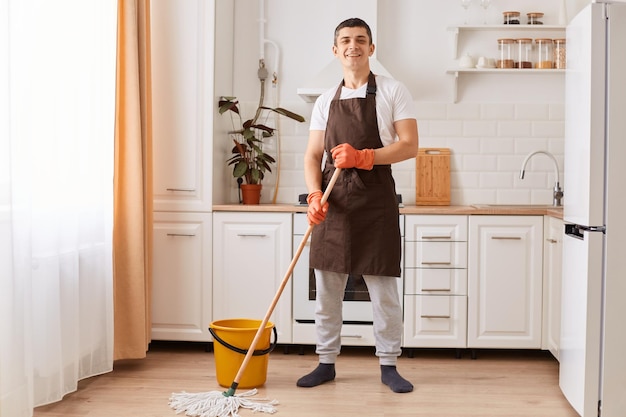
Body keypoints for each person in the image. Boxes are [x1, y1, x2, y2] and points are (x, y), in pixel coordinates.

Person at [299, 17, 419, 394]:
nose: (353, 46)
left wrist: (363, 155)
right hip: (334, 204)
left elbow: (409, 145)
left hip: (375, 203)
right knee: (328, 290)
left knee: (383, 290)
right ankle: (326, 362)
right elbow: (312, 155)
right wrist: (315, 195)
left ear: (371, 48)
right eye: (345, 41)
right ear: (335, 50)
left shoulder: (393, 91)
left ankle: (388, 365)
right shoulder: (324, 101)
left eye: (360, 40)